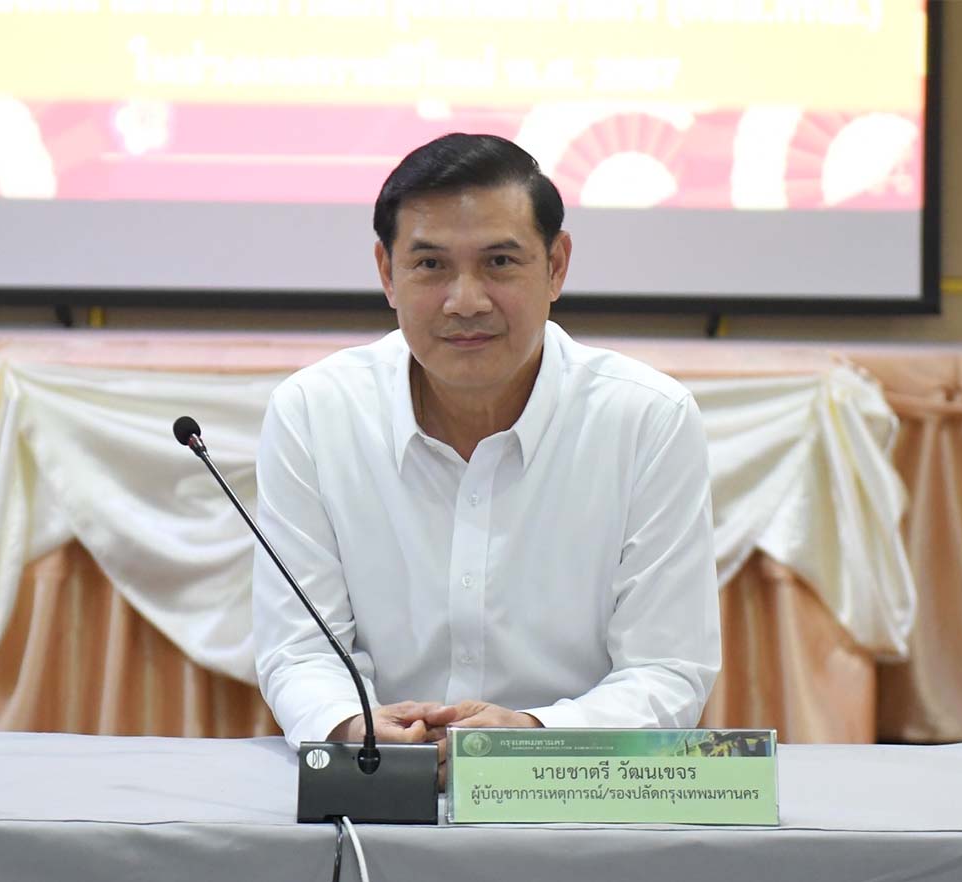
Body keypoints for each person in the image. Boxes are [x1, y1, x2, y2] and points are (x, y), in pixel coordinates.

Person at [252, 133, 721, 778]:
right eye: (430, 265)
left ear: (556, 266)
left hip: (574, 794)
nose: (466, 301)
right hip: (380, 790)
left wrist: (533, 735)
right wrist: (353, 725)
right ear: (387, 274)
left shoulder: (647, 419)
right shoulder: (314, 412)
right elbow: (299, 651)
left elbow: (667, 669)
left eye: (500, 262)